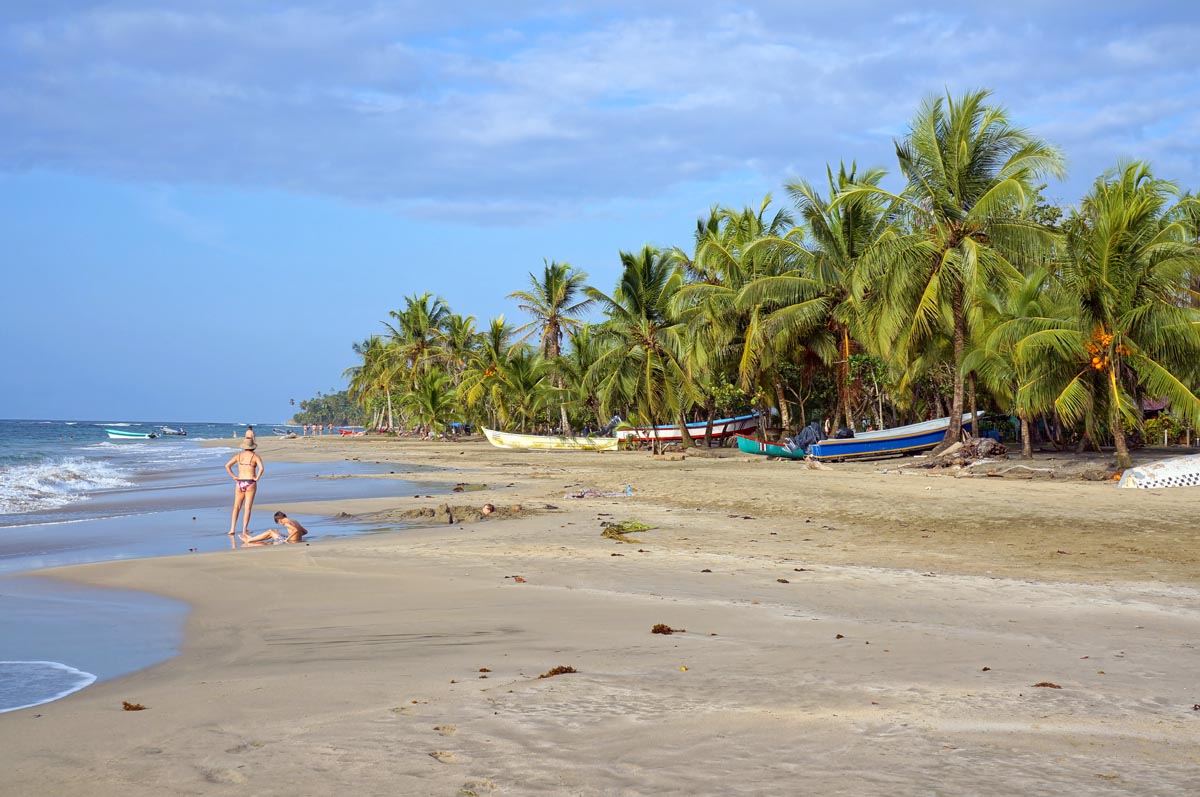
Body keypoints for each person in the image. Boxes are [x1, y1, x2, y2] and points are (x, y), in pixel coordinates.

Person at [225, 438, 264, 536]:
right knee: (247, 507)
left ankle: (232, 529)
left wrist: (234, 476)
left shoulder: (238, 456)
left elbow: (227, 466)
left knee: (236, 507)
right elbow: (261, 468)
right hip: (250, 482)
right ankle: (244, 530)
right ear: (253, 447)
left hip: (239, 482)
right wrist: (257, 478)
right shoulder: (255, 456)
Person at [242, 511, 308, 544]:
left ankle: (249, 540)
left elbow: (295, 530)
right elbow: (305, 532)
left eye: (279, 523)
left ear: (279, 520)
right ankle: (253, 539)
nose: (280, 524)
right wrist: (296, 536)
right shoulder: (294, 521)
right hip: (295, 540)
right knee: (275, 531)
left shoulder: (286, 523)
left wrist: (287, 538)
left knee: (270, 531)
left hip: (290, 541)